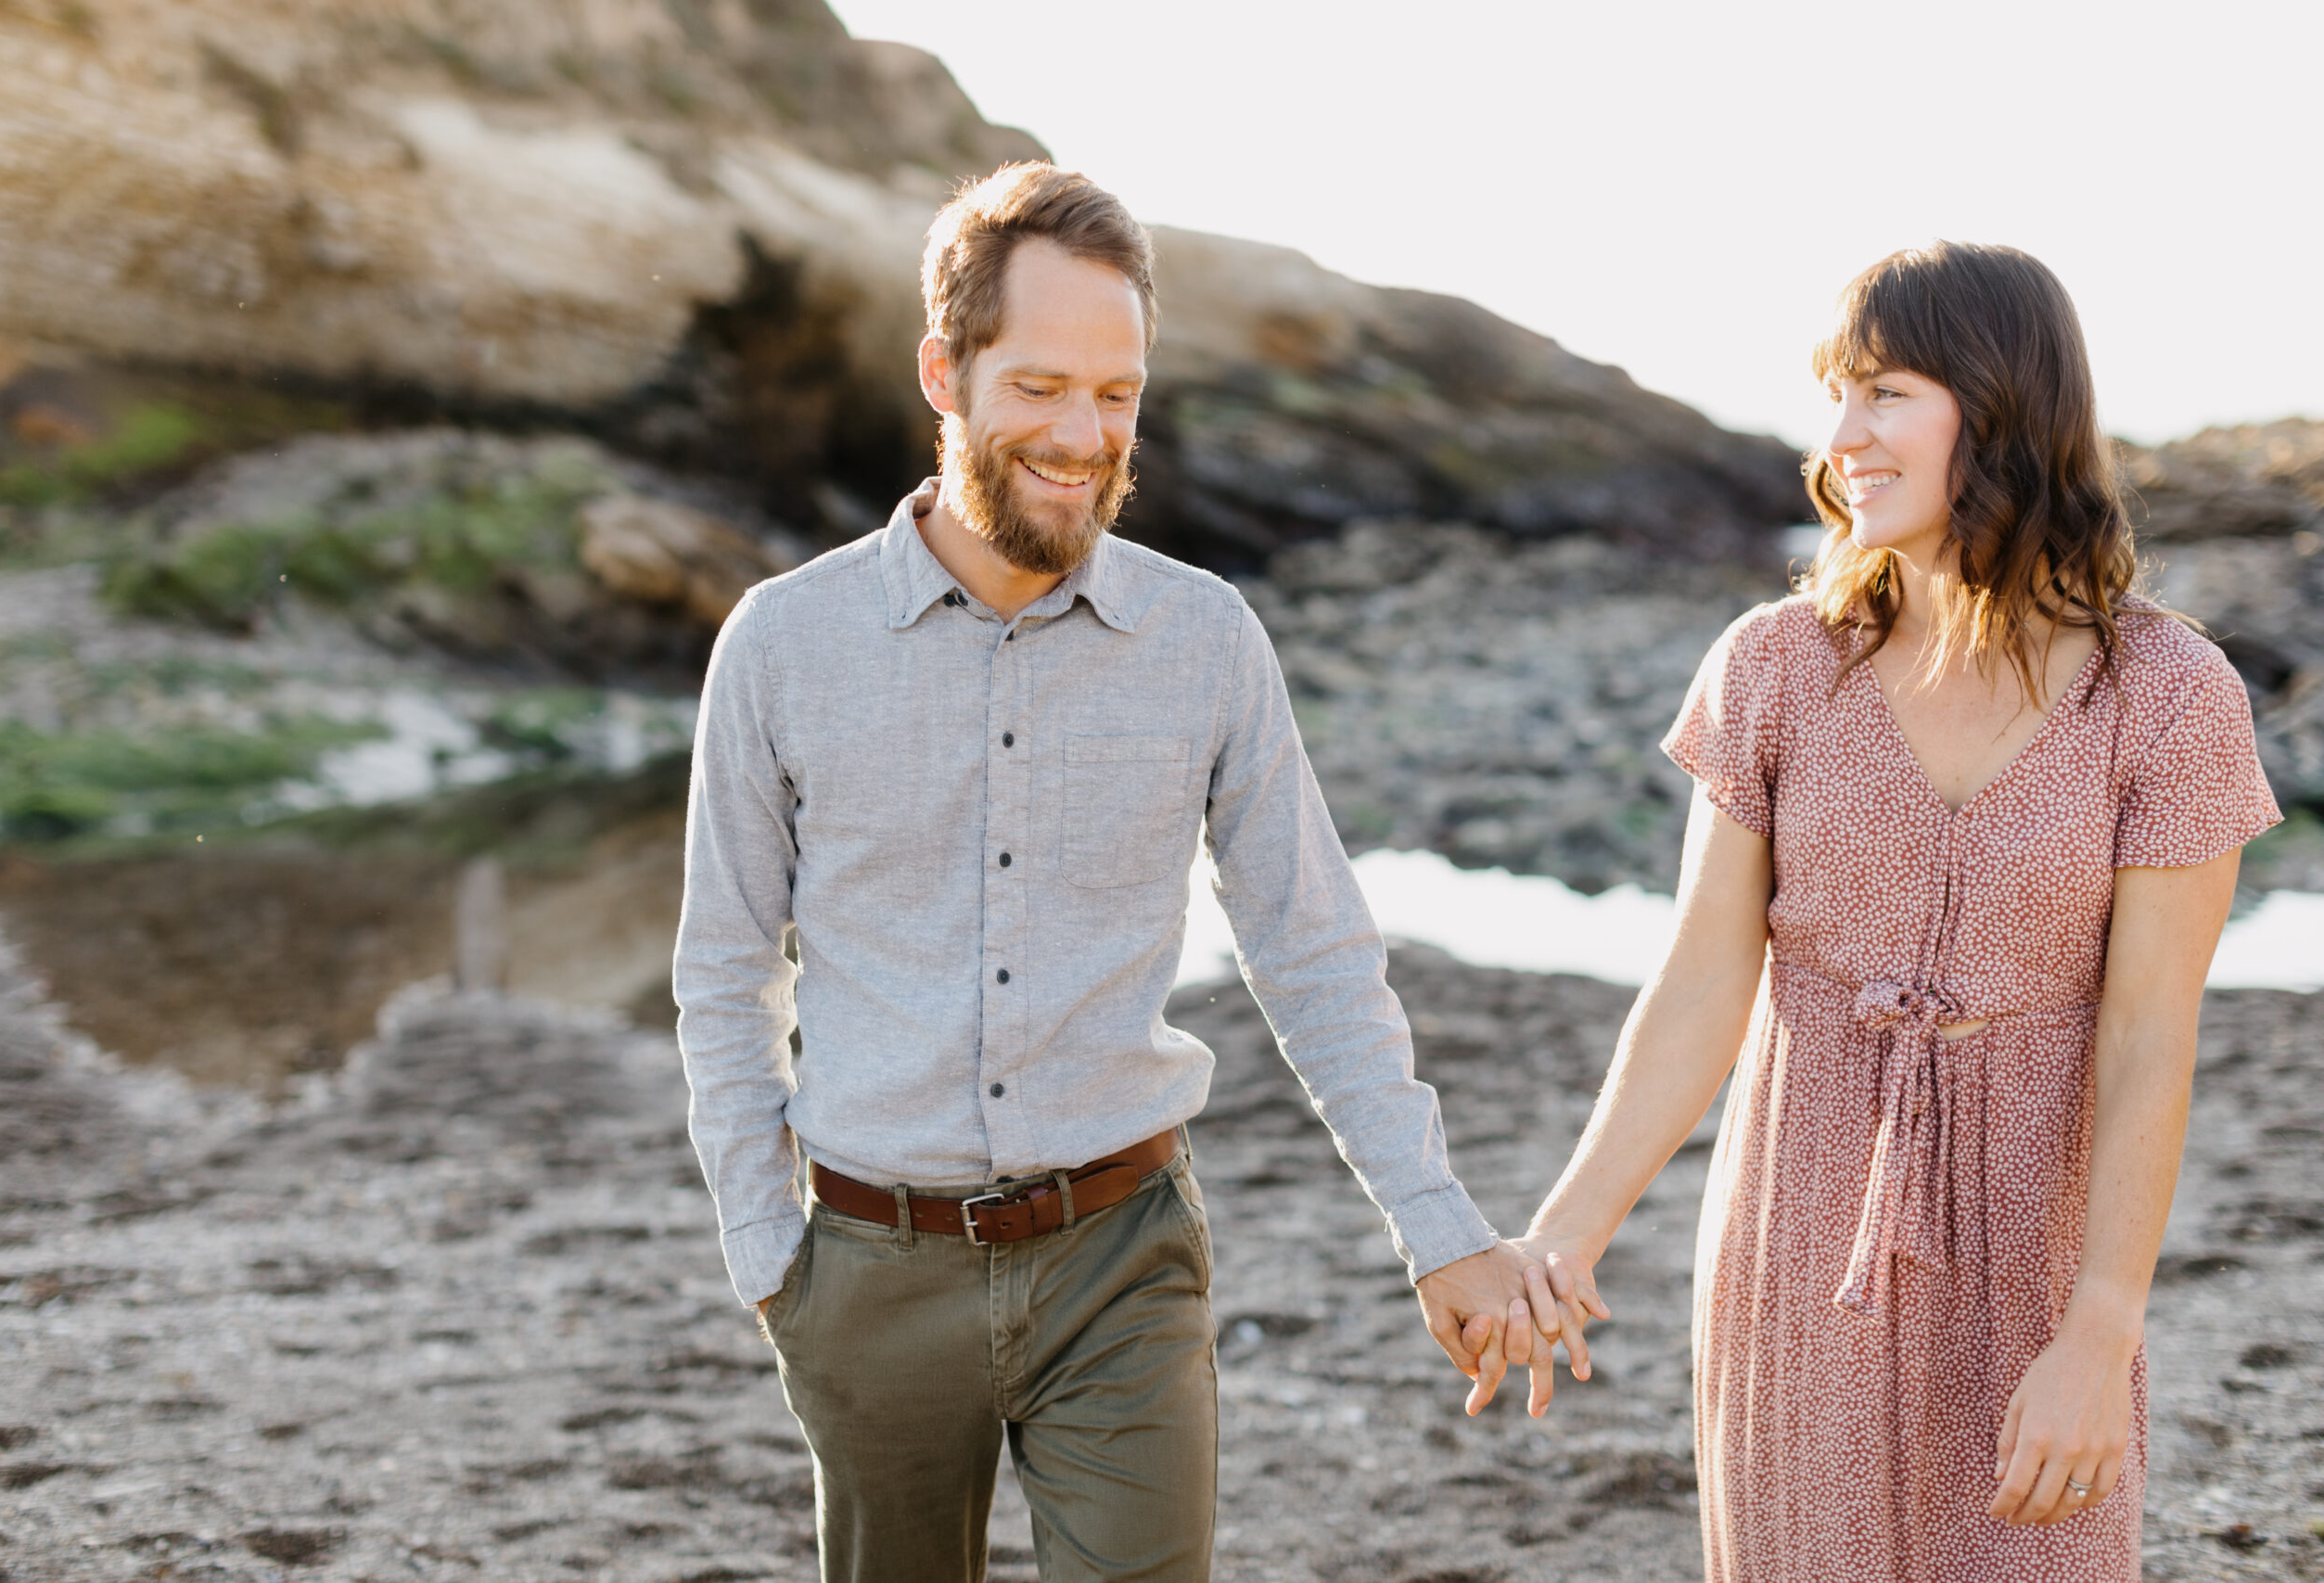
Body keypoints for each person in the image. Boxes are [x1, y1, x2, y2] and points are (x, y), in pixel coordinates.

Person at [672, 161, 1537, 1583]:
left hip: (1121, 1262)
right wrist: (769, 1251)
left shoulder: (1205, 643)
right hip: (867, 1272)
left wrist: (1439, 1229)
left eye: (1119, 394)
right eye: (1041, 387)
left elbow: (1312, 953)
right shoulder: (781, 644)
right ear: (943, 374)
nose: (1085, 436)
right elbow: (723, 968)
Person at [1496, 242, 2280, 1580]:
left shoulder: (2169, 694)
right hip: (1799, 1236)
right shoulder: (1775, 669)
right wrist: (1563, 1233)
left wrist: (2101, 1330)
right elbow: (1699, 986)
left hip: (2038, 1258)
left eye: (1887, 394)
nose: (1841, 441)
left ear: (2000, 403)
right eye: (1836, 397)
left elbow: (2151, 1037)